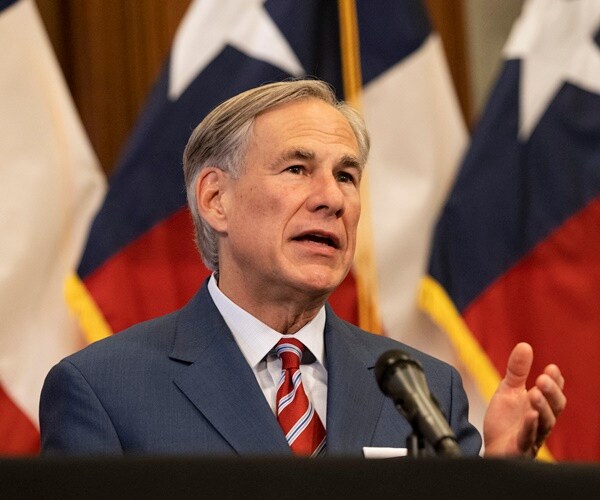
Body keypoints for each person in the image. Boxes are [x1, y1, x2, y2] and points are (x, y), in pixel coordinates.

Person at [40, 80, 565, 457]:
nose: (332, 199)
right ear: (216, 199)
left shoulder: (425, 388)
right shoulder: (105, 391)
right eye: (297, 169)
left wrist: (497, 479)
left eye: (347, 175)